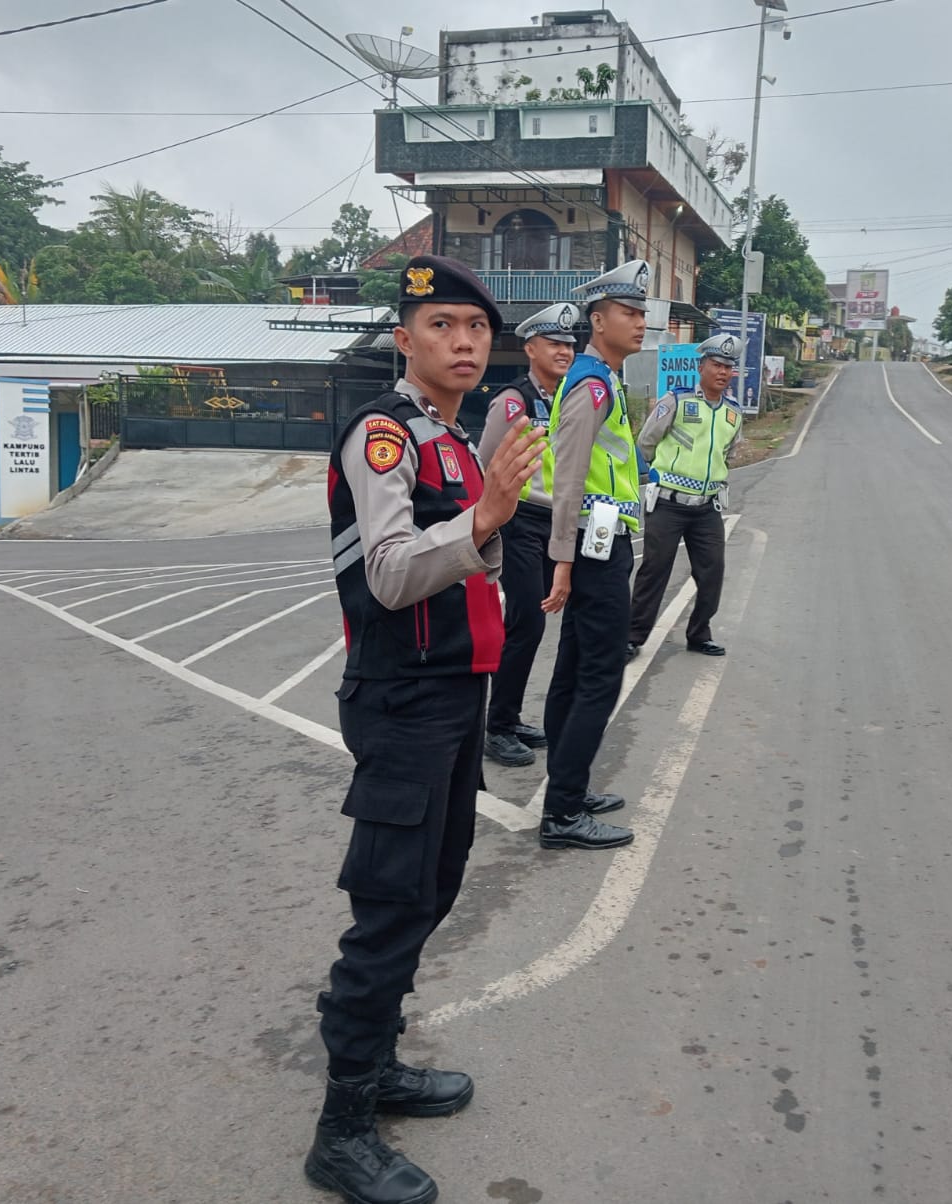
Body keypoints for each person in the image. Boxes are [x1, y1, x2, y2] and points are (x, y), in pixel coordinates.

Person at [309, 255, 545, 1204]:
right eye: (442, 325)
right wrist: (489, 513)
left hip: (455, 696)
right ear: (404, 340)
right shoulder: (385, 437)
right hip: (403, 700)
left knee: (434, 889)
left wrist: (488, 513)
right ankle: (342, 1123)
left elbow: (468, 562)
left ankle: (381, 1061)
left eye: (477, 329)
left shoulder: (451, 442)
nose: (463, 341)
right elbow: (393, 576)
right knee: (392, 903)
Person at [536, 260, 654, 852]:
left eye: (642, 313)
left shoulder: (600, 379)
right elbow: (569, 475)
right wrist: (564, 559)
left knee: (574, 672)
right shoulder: (591, 384)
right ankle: (562, 813)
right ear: (598, 318)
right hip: (591, 545)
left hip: (597, 540)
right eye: (630, 313)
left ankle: (569, 788)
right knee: (599, 676)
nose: (641, 322)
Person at [477, 301, 579, 768]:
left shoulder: (569, 398)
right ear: (530, 348)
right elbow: (485, 463)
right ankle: (496, 727)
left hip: (552, 523)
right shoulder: (513, 402)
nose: (564, 351)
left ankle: (509, 715)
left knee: (530, 626)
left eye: (570, 345)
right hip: (518, 523)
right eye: (555, 343)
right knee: (527, 622)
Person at [626, 332, 745, 660]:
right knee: (655, 570)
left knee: (712, 572)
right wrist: (661, 474)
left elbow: (729, 454)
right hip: (668, 504)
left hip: (707, 507)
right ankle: (633, 637)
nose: (722, 372)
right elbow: (646, 442)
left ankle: (699, 634)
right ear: (701, 366)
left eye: (728, 367)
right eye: (717, 365)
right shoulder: (675, 401)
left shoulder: (733, 413)